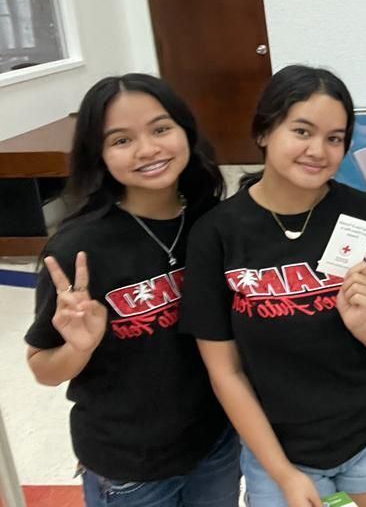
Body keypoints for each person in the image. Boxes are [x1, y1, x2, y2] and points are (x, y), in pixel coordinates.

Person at [179, 65, 366, 507]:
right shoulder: (218, 234)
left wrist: (363, 322)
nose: (318, 151)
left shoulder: (365, 215)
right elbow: (224, 370)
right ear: (266, 130)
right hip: (278, 451)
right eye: (302, 131)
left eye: (334, 138)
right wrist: (284, 474)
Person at [24, 73, 239, 507]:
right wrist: (79, 348)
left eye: (161, 129)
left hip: (215, 445)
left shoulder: (212, 222)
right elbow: (43, 368)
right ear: (99, 154)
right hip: (130, 469)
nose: (148, 149)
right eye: (121, 140)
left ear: (185, 131)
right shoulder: (77, 250)